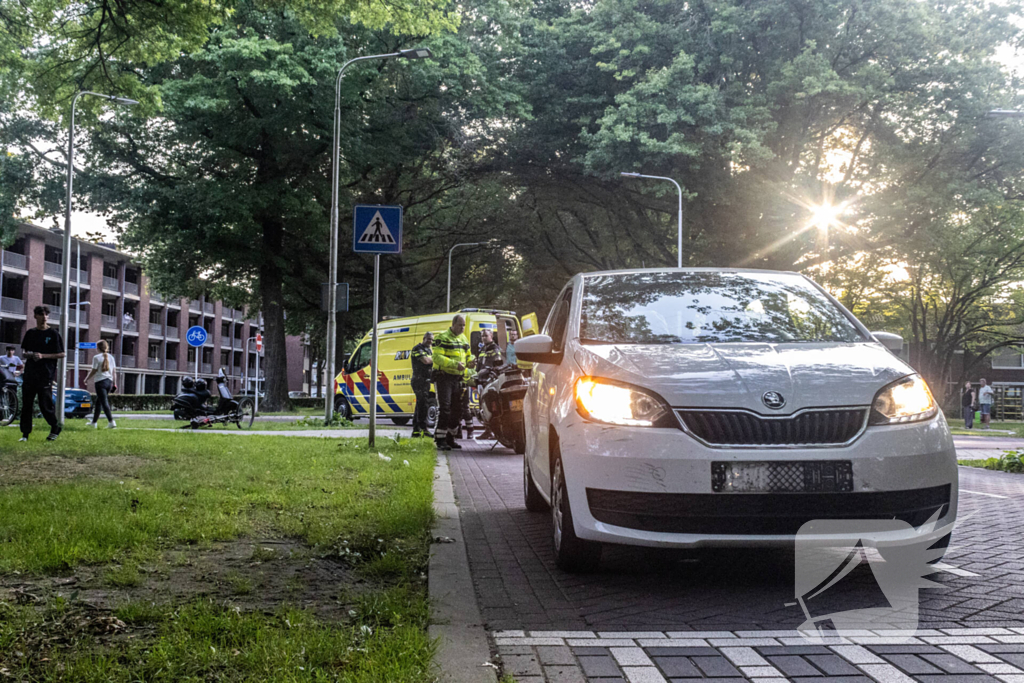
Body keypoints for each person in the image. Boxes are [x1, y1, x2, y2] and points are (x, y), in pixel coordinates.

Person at [19, 305, 66, 441]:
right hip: (30, 373)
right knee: (26, 404)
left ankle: (55, 427)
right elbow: (24, 352)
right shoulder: (30, 333)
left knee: (44, 404)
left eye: (46, 314)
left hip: (45, 374)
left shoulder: (53, 334)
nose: (44, 317)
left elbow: (62, 354)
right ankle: (25, 434)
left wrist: (43, 356)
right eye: (41, 314)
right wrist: (31, 355)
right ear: (35, 316)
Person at [432, 315, 470, 451]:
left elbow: (468, 354)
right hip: (444, 377)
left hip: (458, 378)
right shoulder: (442, 338)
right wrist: (454, 364)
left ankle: (450, 437)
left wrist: (471, 361)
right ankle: (440, 438)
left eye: (464, 325)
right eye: (460, 325)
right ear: (453, 324)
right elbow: (436, 357)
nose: (462, 328)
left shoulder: (463, 338)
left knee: (457, 410)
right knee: (445, 408)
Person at [84, 340, 117, 428]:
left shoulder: (96, 357)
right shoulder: (111, 357)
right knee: (98, 402)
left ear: (97, 348)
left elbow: (94, 370)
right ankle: (94, 423)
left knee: (104, 402)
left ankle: (111, 421)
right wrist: (115, 384)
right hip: (108, 382)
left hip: (100, 382)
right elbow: (114, 372)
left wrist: (87, 378)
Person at [410, 332, 434, 437]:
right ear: (424, 338)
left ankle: (416, 430)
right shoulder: (417, 349)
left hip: (426, 380)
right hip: (418, 380)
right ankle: (423, 428)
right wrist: (438, 358)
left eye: (432, 340)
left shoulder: (429, 350)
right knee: (423, 405)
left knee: (420, 405)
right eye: (428, 339)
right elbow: (426, 360)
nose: (430, 341)